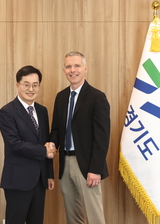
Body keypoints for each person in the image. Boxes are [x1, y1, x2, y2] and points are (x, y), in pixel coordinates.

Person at [50, 52, 111, 224]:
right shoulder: (61, 97)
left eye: (76, 66)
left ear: (85, 68)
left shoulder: (97, 97)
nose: (72, 70)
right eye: (68, 66)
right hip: (65, 163)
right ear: (64, 70)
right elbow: (56, 129)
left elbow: (102, 137)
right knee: (72, 216)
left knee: (94, 216)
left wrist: (95, 168)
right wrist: (51, 144)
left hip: (87, 165)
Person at [0, 65, 56, 224]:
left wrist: (49, 174)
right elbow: (14, 143)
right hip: (18, 180)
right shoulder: (7, 112)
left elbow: (46, 143)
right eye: (26, 84)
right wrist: (43, 151)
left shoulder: (42, 111)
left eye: (35, 85)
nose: (31, 89)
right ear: (18, 85)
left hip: (40, 180)